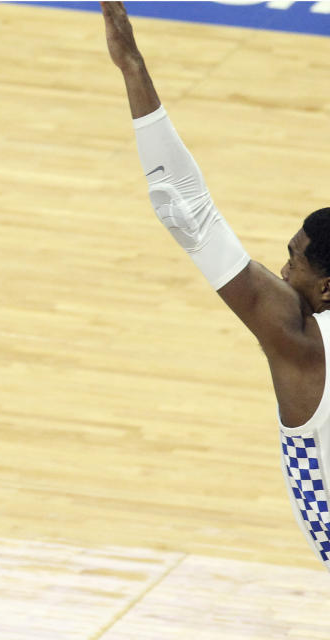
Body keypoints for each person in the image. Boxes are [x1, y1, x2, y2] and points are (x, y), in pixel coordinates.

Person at [102, 1, 330, 569]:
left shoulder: (304, 342)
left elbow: (186, 211)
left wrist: (132, 65)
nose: (284, 272)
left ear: (327, 288)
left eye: (296, 261)